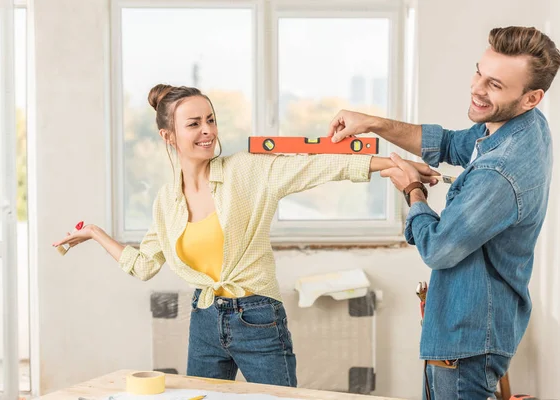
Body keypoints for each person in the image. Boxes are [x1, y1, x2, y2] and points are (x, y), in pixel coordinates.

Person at [53, 84, 439, 387]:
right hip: (203, 319)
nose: (207, 131)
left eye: (210, 119)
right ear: (168, 136)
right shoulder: (166, 202)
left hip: (257, 318)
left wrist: (391, 163)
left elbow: (318, 166)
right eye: (193, 124)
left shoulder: (246, 171)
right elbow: (143, 266)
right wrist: (96, 234)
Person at [327, 26, 560, 399]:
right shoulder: (521, 124)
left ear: (531, 97)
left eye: (495, 85)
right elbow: (452, 143)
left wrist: (413, 190)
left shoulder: (500, 171)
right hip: (473, 330)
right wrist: (373, 123)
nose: (477, 88)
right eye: (478, 72)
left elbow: (437, 249)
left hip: (467, 338)